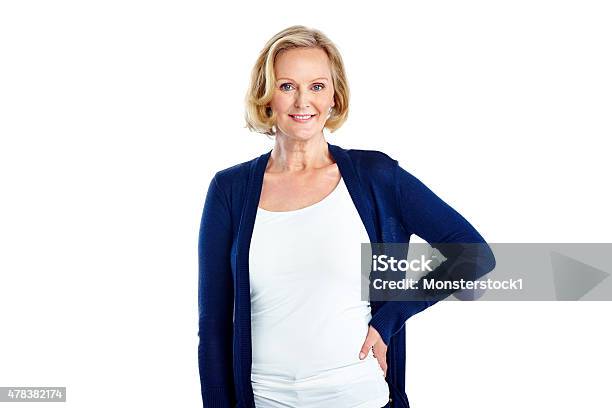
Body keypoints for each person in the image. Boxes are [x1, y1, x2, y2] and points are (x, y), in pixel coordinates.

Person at [198, 25, 496, 408]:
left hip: (358, 396)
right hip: (265, 399)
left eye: (317, 86)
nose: (302, 101)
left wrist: (391, 318)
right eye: (287, 85)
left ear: (335, 97)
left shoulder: (377, 178)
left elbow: (473, 254)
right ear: (266, 95)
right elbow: (214, 327)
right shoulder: (230, 190)